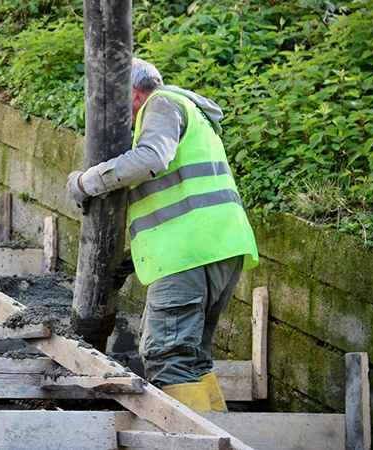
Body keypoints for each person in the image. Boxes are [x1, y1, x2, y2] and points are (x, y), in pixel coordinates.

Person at [66, 58, 259, 412]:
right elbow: (178, 192)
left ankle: (192, 440)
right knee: (195, 359)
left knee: (168, 356)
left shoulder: (161, 105)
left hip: (187, 253)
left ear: (133, 93)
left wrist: (86, 182)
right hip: (221, 247)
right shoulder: (192, 111)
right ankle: (221, 433)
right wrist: (127, 257)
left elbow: (151, 159)